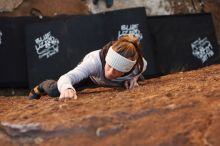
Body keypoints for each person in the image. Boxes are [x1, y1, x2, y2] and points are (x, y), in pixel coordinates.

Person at [29, 34, 147, 100]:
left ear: (127, 69)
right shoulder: (94, 62)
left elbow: (143, 66)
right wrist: (67, 88)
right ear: (106, 59)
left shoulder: (137, 66)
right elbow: (67, 77)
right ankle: (40, 87)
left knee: (140, 81)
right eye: (109, 65)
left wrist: (134, 78)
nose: (110, 72)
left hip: (114, 78)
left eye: (117, 70)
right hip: (92, 77)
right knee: (55, 91)